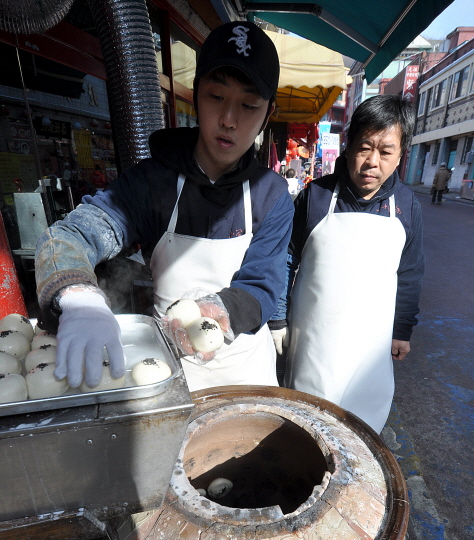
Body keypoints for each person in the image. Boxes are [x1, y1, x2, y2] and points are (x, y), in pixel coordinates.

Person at [35, 21, 294, 393]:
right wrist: (78, 295)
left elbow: (264, 285)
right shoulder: (152, 183)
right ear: (194, 96)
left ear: (269, 113)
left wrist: (217, 314)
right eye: (216, 97)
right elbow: (71, 235)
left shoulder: (272, 195)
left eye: (249, 105)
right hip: (168, 373)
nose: (228, 120)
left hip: (246, 374)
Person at [271, 95, 424, 433]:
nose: (372, 162)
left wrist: (402, 330)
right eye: (364, 147)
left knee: (360, 432)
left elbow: (410, 273)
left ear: (401, 155)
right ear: (348, 144)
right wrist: (278, 319)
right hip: (313, 339)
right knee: (305, 423)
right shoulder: (317, 196)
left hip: (371, 344)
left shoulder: (407, 207)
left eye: (386, 152)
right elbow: (286, 258)